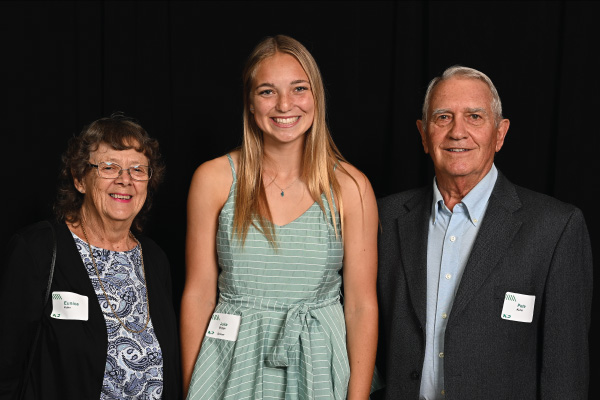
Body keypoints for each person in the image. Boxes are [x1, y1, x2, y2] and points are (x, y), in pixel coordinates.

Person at [181, 35, 382, 399]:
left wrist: (358, 396)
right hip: (231, 365)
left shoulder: (351, 187)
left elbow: (360, 305)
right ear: (250, 103)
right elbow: (198, 295)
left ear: (316, 96)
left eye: (299, 88)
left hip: (319, 366)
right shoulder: (214, 180)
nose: (285, 104)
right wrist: (193, 387)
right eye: (268, 92)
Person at [375, 65, 593, 399]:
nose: (457, 132)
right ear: (423, 133)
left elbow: (565, 369)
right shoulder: (383, 218)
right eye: (443, 117)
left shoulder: (555, 228)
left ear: (500, 133)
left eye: (474, 117)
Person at [0, 114, 181, 399]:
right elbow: (6, 368)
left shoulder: (155, 260)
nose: (125, 180)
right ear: (79, 179)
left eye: (138, 170)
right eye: (109, 167)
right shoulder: (37, 250)